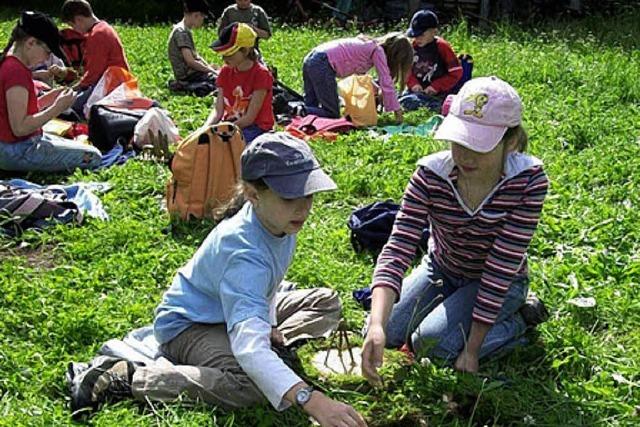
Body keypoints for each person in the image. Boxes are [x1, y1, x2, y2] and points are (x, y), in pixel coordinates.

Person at [68, 132, 368, 427]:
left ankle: (266, 359)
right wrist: (310, 399)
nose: (303, 206)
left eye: (308, 193)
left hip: (232, 310)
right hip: (190, 325)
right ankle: (124, 377)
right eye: (290, 196)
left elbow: (271, 283)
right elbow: (250, 339)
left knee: (325, 302)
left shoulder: (279, 221)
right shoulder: (243, 255)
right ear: (253, 195)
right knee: (252, 386)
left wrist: (271, 324)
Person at [361, 76, 550, 385]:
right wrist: (377, 325)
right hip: (442, 267)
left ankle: (520, 321)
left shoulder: (527, 182)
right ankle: (441, 318)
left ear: (511, 141)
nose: (464, 156)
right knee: (386, 329)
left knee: (431, 347)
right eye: (459, 141)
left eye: (479, 146)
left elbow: (501, 267)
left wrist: (473, 348)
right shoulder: (430, 175)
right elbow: (399, 246)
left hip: (497, 283)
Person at [0, 11, 101, 173]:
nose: (47, 59)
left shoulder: (10, 64)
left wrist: (49, 98)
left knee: (82, 146)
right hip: (18, 151)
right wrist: (56, 109)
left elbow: (19, 110)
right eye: (47, 52)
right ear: (31, 43)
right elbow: (19, 127)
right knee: (93, 156)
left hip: (14, 146)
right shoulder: (16, 72)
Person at [302, 32, 413, 123]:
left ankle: (295, 110)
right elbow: (386, 81)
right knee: (332, 113)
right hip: (322, 64)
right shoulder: (377, 51)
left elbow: (360, 74)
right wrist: (397, 111)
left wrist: (376, 88)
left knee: (311, 105)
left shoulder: (368, 45)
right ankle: (292, 109)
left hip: (312, 58)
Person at [205, 23, 274, 144]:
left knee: (227, 146)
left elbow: (249, 118)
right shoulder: (225, 72)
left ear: (246, 50)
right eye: (223, 54)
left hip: (257, 128)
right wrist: (206, 129)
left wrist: (224, 130)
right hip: (230, 125)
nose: (224, 59)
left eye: (229, 53)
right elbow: (218, 111)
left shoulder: (261, 74)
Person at [60, 0, 130, 117]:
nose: (74, 30)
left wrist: (74, 88)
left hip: (111, 85)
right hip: (113, 81)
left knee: (68, 106)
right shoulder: (103, 28)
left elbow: (93, 74)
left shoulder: (97, 35)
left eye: (72, 26)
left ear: (79, 20)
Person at [400, 9, 462, 112]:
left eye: (421, 35)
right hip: (416, 89)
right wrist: (413, 84)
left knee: (433, 104)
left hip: (438, 92)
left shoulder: (442, 47)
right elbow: (406, 70)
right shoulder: (412, 47)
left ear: (434, 32)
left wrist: (436, 87)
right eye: (414, 35)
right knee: (404, 100)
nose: (417, 38)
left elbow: (456, 73)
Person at [168, 0, 218, 87]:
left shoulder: (185, 31)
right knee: (219, 81)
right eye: (203, 17)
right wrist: (210, 71)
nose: (203, 21)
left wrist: (208, 67)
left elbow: (196, 56)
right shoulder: (181, 33)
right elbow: (190, 61)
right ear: (196, 15)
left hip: (193, 74)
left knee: (219, 73)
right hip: (188, 76)